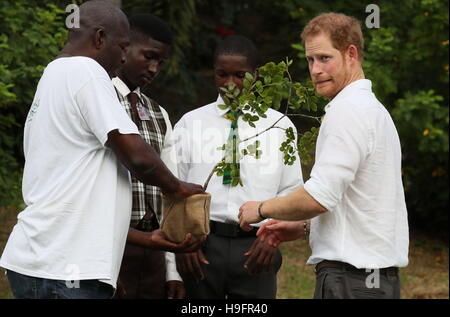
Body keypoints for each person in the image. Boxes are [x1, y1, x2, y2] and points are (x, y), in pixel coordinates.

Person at [0, 0, 204, 299]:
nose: (122, 59)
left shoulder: (53, 75)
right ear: (98, 38)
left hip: (40, 263)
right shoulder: (86, 70)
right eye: (122, 47)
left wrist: (148, 240)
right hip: (66, 272)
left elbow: (80, 200)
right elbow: (137, 157)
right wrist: (178, 188)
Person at [238, 12, 409, 299]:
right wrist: (303, 224)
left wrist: (261, 208)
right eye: (310, 60)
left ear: (350, 53)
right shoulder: (373, 110)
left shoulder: (347, 111)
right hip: (374, 281)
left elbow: (318, 196)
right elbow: (356, 200)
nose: (315, 69)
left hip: (350, 280)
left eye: (325, 58)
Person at [173, 35, 304, 299]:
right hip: (201, 246)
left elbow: (292, 193)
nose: (229, 83)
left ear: (255, 75)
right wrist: (183, 243)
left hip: (257, 246)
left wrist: (272, 237)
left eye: (240, 75)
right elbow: (173, 188)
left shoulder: (278, 126)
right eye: (222, 74)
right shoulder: (191, 123)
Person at [112, 13, 184, 299]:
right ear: (125, 47)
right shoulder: (99, 98)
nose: (154, 68)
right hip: (110, 244)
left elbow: (170, 193)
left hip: (153, 247)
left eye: (161, 62)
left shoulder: (158, 113)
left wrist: (172, 270)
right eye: (149, 56)